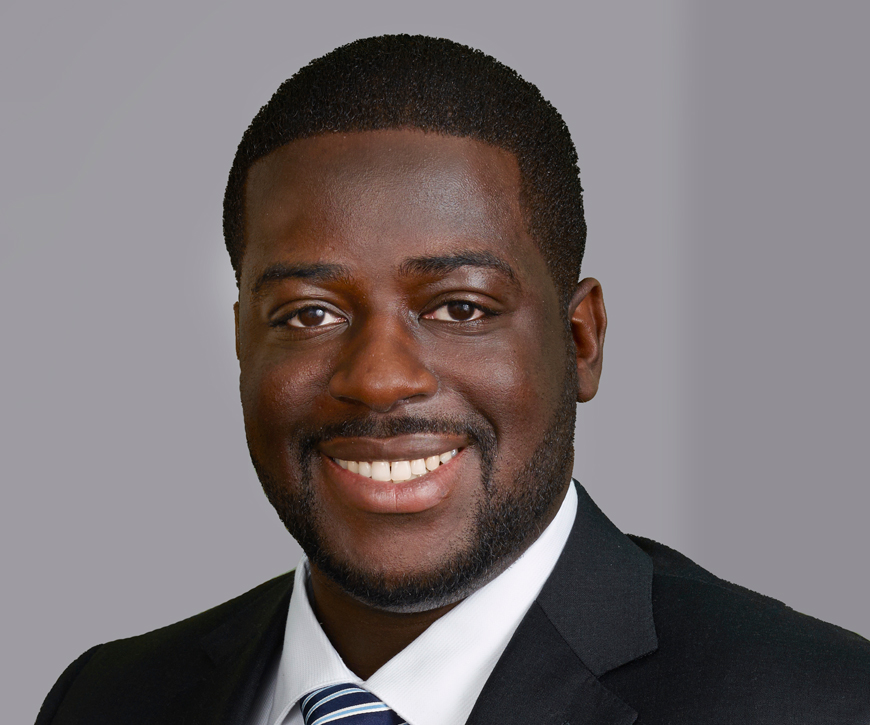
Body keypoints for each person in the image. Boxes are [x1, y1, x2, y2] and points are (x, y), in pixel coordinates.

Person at [36, 34, 870, 725]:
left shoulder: (818, 703)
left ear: (580, 340)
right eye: (308, 314)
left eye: (460, 307)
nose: (379, 379)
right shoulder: (104, 700)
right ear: (242, 344)